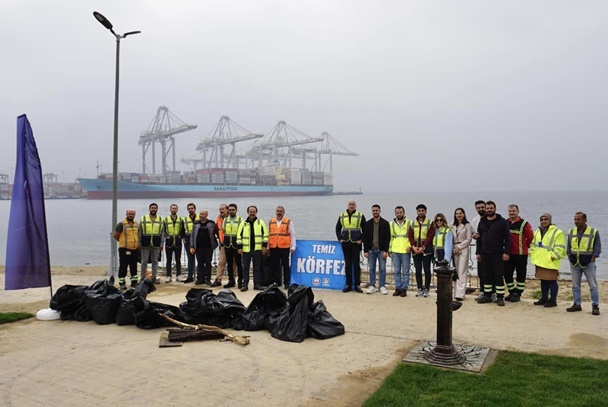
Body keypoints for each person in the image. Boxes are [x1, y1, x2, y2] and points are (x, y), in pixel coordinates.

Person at [475, 201, 510, 306]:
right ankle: (487, 296)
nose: (489, 210)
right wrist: (478, 252)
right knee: (486, 276)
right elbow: (479, 238)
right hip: (484, 253)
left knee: (498, 276)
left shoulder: (502, 222)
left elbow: (507, 238)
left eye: (491, 208)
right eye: (487, 208)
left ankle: (500, 297)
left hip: (497, 253)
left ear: (495, 209)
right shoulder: (482, 222)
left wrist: (506, 252)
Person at [566, 212, 601, 315]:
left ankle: (595, 306)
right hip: (574, 263)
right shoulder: (571, 232)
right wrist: (569, 255)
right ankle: (577, 304)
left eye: (578, 219)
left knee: (593, 286)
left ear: (585, 220)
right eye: (575, 219)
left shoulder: (593, 232)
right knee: (575, 286)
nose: (576, 221)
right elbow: (568, 246)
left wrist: (593, 258)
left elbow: (597, 247)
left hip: (588, 263)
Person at [530, 212, 566, 308]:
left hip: (551, 261)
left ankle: (553, 300)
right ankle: (544, 298)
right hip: (540, 260)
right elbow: (533, 245)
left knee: (552, 281)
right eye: (542, 220)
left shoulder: (557, 232)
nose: (543, 221)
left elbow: (560, 248)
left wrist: (552, 256)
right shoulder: (537, 232)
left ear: (550, 220)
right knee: (543, 281)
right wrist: (532, 254)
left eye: (546, 219)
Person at [504, 204, 534, 302]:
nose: (511, 213)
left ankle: (518, 293)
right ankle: (512, 291)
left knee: (521, 274)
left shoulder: (524, 223)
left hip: (521, 254)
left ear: (518, 212)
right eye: (510, 211)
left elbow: (530, 237)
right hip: (509, 253)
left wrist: (525, 246)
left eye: (513, 211)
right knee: (507, 274)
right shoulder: (505, 223)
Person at [336, 200, 366, 293]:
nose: (351, 206)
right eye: (350, 204)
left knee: (356, 265)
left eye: (353, 204)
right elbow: (337, 228)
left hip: (356, 243)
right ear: (347, 205)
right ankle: (348, 285)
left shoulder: (360, 215)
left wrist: (361, 239)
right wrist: (340, 238)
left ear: (355, 205)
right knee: (348, 265)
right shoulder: (342, 215)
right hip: (346, 243)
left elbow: (365, 229)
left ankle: (357, 285)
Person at [363, 204, 391, 295]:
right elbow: (365, 238)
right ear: (372, 211)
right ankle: (372, 285)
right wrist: (365, 250)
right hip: (371, 250)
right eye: (373, 210)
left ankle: (382, 286)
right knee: (371, 268)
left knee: (382, 268)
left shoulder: (385, 223)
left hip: (381, 250)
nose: (375, 212)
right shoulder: (368, 223)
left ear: (380, 211)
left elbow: (388, 238)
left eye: (376, 210)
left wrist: (386, 250)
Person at [408, 204, 435, 297]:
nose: (421, 212)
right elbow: (410, 236)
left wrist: (423, 247)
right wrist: (413, 247)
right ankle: (419, 288)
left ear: (425, 211)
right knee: (418, 270)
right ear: (416, 212)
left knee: (427, 270)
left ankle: (427, 288)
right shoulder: (412, 223)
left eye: (422, 211)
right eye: (419, 211)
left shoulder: (430, 222)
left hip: (426, 250)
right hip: (415, 250)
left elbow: (430, 236)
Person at [240, 205, 268, 291]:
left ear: (256, 212)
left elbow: (265, 235)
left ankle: (257, 284)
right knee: (245, 268)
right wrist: (239, 247)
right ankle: (245, 284)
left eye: (253, 212)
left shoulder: (261, 223)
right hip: (246, 250)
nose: (252, 213)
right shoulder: (243, 224)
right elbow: (239, 236)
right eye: (250, 212)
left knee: (257, 268)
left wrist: (264, 247)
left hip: (257, 250)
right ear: (248, 212)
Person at [268, 206, 296, 289]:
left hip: (284, 247)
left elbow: (292, 234)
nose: (279, 213)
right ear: (275, 212)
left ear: (284, 212)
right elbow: (269, 235)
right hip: (273, 247)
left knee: (285, 265)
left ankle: (286, 282)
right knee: (274, 265)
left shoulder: (288, 222)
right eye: (278, 211)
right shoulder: (271, 221)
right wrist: (267, 246)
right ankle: (276, 282)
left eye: (281, 211)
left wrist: (293, 246)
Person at [190, 209, 219, 285]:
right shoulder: (196, 224)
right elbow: (192, 235)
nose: (201, 216)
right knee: (200, 264)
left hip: (208, 247)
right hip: (198, 248)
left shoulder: (211, 223)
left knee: (208, 263)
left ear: (206, 215)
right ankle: (200, 279)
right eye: (200, 214)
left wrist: (218, 243)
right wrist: (192, 246)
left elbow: (217, 233)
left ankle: (208, 279)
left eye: (203, 214)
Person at [113, 209, 140, 290]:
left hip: (134, 249)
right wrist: (123, 243)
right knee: (123, 266)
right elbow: (115, 235)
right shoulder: (121, 224)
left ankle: (134, 283)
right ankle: (122, 284)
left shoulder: (136, 224)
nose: (131, 215)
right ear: (126, 214)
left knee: (134, 266)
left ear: (134, 215)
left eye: (132, 214)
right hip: (124, 249)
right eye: (129, 214)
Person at [389, 206, 411, 297]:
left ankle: (404, 288)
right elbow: (391, 237)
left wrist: (410, 246)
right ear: (395, 213)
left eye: (400, 212)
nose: (399, 214)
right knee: (397, 271)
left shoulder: (409, 223)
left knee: (405, 271)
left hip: (405, 250)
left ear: (404, 213)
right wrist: (390, 249)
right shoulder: (392, 224)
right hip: (395, 250)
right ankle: (398, 288)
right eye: (397, 213)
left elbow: (411, 236)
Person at [139, 202, 164, 284]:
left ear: (157, 209)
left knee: (155, 261)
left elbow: (162, 233)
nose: (153, 209)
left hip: (156, 244)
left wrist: (161, 244)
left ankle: (154, 277)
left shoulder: (161, 219)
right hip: (145, 243)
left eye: (155, 208)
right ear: (149, 209)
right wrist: (139, 242)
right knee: (144, 261)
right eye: (152, 208)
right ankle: (142, 278)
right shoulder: (143, 218)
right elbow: (140, 231)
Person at [451, 208, 472, 301]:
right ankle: (456, 292)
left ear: (463, 214)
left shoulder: (467, 225)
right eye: (457, 214)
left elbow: (469, 239)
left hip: (463, 248)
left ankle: (460, 294)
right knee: (455, 271)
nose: (458, 215)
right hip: (454, 248)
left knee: (462, 271)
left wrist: (459, 247)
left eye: (460, 213)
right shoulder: (452, 225)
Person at [223, 203, 244, 289]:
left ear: (236, 210)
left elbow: (243, 233)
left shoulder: (240, 220)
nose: (231, 211)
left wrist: (240, 246)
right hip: (228, 245)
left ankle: (240, 281)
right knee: (229, 264)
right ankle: (231, 281)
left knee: (239, 264)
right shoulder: (225, 220)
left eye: (233, 210)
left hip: (237, 246)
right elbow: (224, 231)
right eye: (230, 210)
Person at [210, 204, 231, 287]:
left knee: (232, 264)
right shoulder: (218, 219)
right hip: (223, 245)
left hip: (232, 244)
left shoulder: (232, 218)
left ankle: (232, 280)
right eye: (220, 209)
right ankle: (218, 280)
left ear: (227, 210)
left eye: (222, 209)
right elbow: (216, 230)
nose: (221, 211)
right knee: (221, 263)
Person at [163, 203, 185, 283]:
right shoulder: (166, 219)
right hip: (169, 242)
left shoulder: (180, 219)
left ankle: (179, 275)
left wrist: (181, 237)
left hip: (177, 242)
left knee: (178, 259)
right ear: (170, 209)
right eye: (172, 208)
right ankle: (168, 276)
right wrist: (166, 236)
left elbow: (183, 229)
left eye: (175, 208)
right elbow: (163, 230)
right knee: (168, 260)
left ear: (177, 210)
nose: (174, 210)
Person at [471, 200, 486, 300]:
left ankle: (493, 293)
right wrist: (474, 236)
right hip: (480, 249)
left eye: (482, 207)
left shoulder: (494, 219)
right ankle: (482, 291)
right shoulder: (475, 220)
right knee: (481, 272)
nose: (481, 209)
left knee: (492, 272)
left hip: (493, 249)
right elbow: (474, 234)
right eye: (478, 208)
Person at [182, 203, 199, 283]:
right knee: (190, 259)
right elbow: (182, 229)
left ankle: (200, 276)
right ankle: (190, 277)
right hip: (188, 239)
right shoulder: (185, 219)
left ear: (195, 209)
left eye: (192, 208)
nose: (190, 210)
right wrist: (183, 238)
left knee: (200, 259)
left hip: (198, 239)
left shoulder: (199, 217)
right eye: (189, 208)